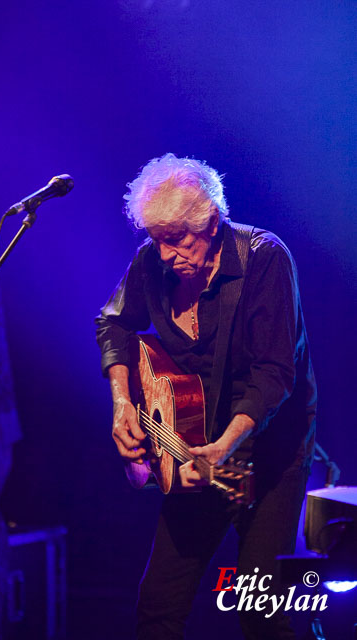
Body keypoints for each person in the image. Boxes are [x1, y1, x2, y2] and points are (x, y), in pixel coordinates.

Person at [95, 153, 316, 639]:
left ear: (212, 222)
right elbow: (113, 321)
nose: (166, 252)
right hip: (192, 450)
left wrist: (224, 447)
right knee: (156, 609)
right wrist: (122, 404)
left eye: (177, 239)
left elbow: (275, 372)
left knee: (262, 614)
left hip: (268, 456)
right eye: (156, 238)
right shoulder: (152, 262)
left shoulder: (264, 258)